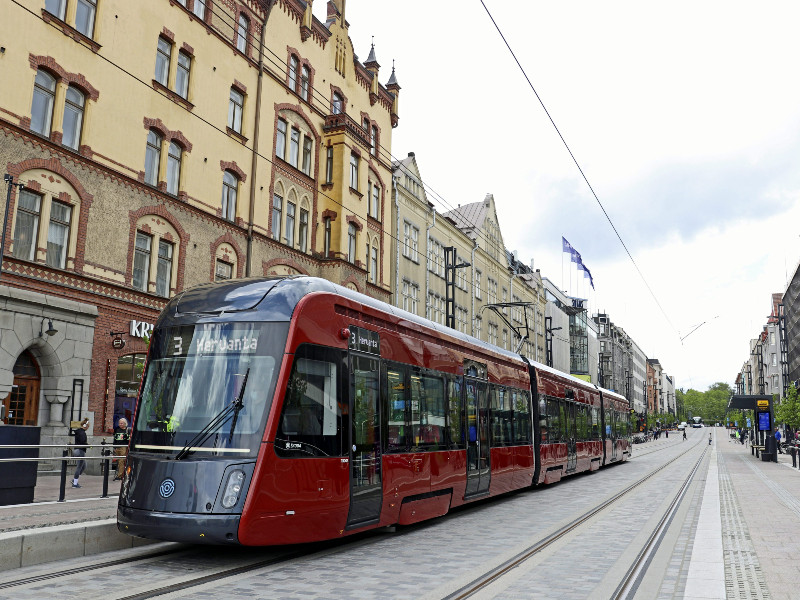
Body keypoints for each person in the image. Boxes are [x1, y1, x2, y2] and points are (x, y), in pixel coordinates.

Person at [72, 418, 90, 488]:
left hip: (77, 450)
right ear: (85, 426)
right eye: (88, 426)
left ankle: (75, 480)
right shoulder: (82, 433)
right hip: (80, 450)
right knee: (79, 467)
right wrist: (87, 445)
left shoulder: (79, 432)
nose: (88, 428)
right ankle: (75, 483)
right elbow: (82, 441)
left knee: (84, 466)